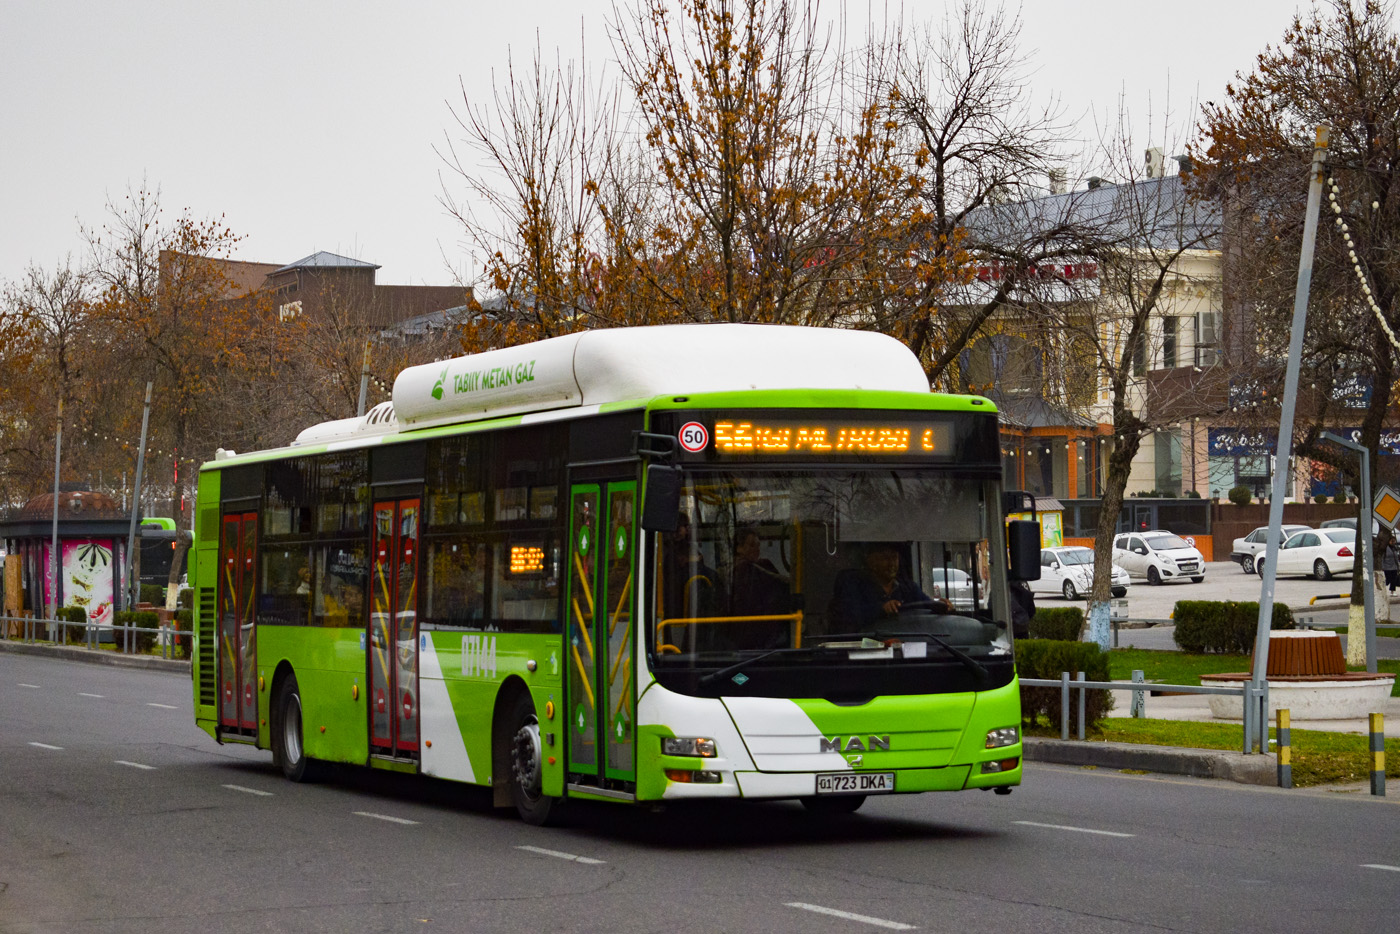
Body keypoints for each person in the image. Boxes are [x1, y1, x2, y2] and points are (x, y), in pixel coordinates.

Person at [830, 543, 947, 628]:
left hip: (906, 649)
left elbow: (926, 605)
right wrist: (882, 609)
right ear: (871, 561)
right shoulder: (854, 585)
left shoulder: (908, 587)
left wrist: (942, 606)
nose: (892, 564)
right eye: (885, 558)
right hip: (867, 650)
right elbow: (849, 616)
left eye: (894, 558)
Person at [729, 528, 790, 648]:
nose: (757, 550)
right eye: (752, 545)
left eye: (758, 546)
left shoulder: (762, 566)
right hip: (753, 631)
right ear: (739, 548)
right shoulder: (745, 570)